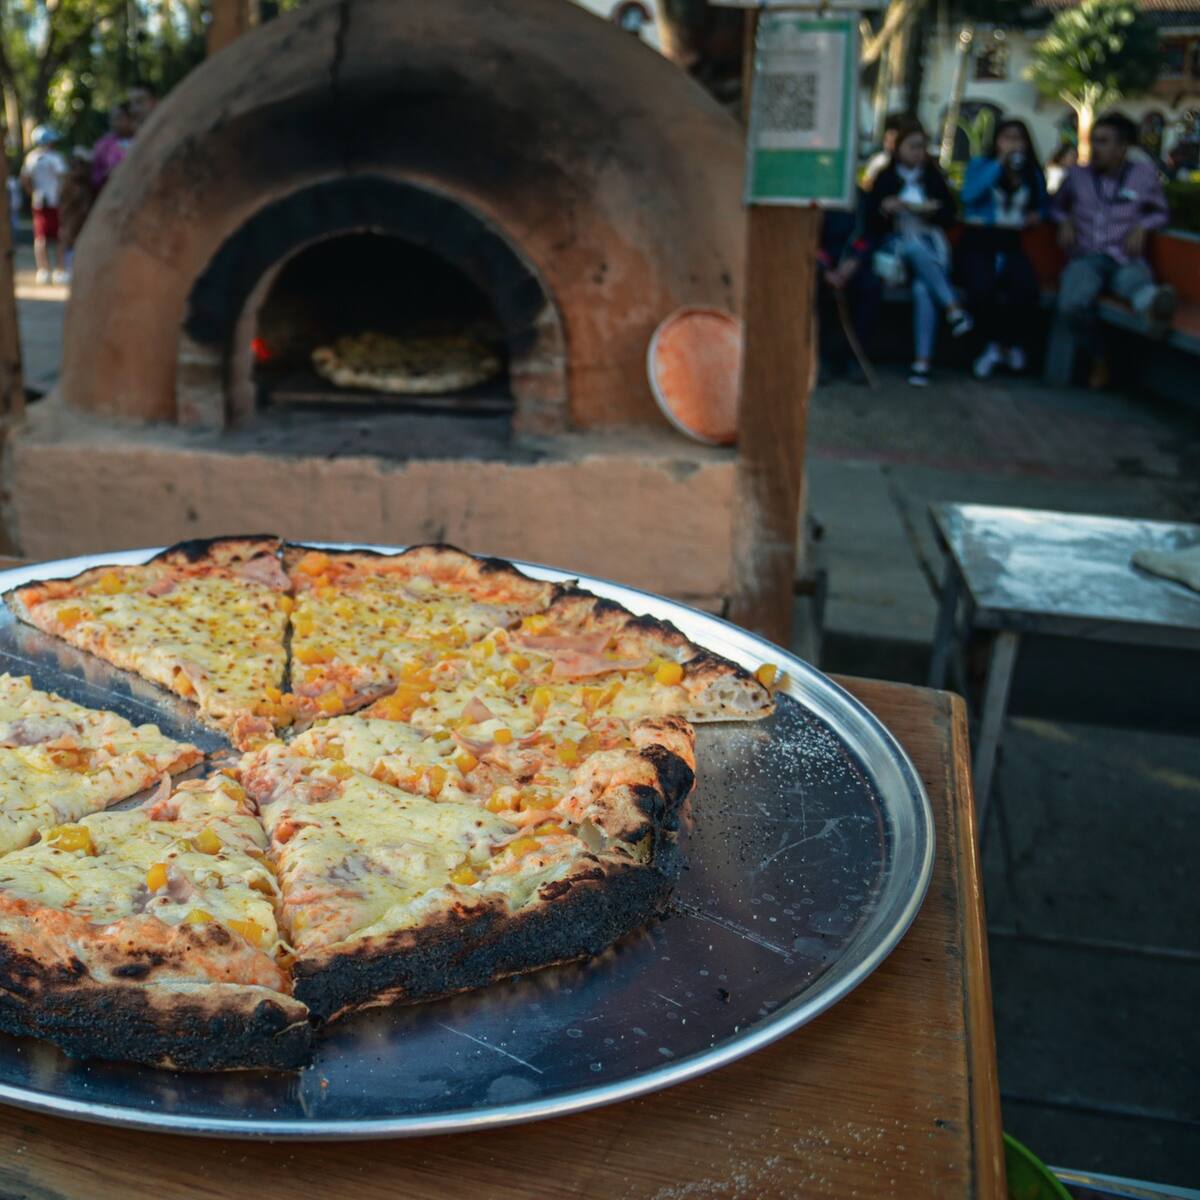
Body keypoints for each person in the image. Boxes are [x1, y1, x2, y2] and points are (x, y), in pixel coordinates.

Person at [1052, 111, 1175, 381]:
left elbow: (1161, 212)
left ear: (1122, 148)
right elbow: (1057, 207)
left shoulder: (1142, 175)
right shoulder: (1076, 176)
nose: (1096, 147)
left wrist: (1143, 225)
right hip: (1086, 256)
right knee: (1072, 305)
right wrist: (1065, 221)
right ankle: (1100, 358)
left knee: (1136, 285)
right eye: (1094, 140)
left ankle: (1155, 305)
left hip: (1124, 255)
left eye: (1104, 141)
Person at [863, 118, 973, 387]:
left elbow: (951, 215)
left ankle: (921, 364)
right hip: (895, 250)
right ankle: (953, 306)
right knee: (912, 247)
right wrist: (886, 208)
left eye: (922, 147)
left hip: (930, 245)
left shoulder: (934, 178)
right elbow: (869, 221)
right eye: (912, 146)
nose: (918, 152)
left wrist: (931, 211)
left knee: (924, 290)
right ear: (899, 148)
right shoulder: (885, 177)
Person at [958, 117, 1048, 379]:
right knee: (980, 289)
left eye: (1018, 138)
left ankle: (1010, 345)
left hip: (1010, 243)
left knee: (1026, 289)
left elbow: (1043, 204)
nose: (1012, 143)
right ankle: (990, 347)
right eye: (1006, 137)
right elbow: (969, 196)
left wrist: (1037, 216)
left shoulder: (1031, 173)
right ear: (996, 140)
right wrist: (999, 164)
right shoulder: (981, 165)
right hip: (979, 241)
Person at [816, 192, 880, 384]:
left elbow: (867, 234)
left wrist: (852, 263)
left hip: (851, 263)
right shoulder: (816, 194)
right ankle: (820, 359)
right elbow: (807, 238)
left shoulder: (861, 198)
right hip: (820, 264)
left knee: (870, 288)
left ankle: (855, 358)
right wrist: (824, 271)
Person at [19, 127, 67, 285]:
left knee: (40, 237)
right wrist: (60, 196)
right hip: (55, 202)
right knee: (60, 237)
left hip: (39, 201)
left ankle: (43, 271)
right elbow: (62, 178)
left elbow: (24, 178)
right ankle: (60, 271)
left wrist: (33, 193)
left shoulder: (31, 158)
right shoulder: (55, 158)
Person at [58, 148, 95, 282]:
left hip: (83, 216)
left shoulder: (87, 182)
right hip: (71, 217)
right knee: (67, 240)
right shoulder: (68, 182)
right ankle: (65, 270)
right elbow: (63, 200)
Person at [91, 102, 135, 192]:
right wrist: (105, 175)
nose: (113, 122)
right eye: (112, 118)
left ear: (131, 118)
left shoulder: (142, 138)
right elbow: (94, 176)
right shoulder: (102, 145)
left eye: (118, 117)